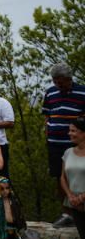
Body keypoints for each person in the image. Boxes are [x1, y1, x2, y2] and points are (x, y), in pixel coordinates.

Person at [43, 64, 85, 227]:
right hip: (55, 143)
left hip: (76, 144)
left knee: (79, 177)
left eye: (61, 82)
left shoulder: (82, 92)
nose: (58, 85)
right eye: (55, 82)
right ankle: (67, 213)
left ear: (69, 79)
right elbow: (46, 115)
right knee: (59, 178)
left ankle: (80, 211)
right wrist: (47, 133)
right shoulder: (50, 92)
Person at [60, 117, 85, 239]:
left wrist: (83, 196)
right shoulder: (68, 152)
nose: (70, 133)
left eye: (73, 130)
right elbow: (63, 177)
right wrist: (70, 195)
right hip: (74, 203)